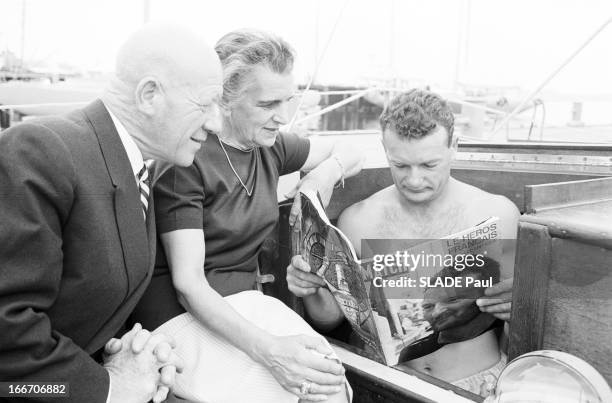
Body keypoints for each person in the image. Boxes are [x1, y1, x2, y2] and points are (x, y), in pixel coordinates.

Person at [130, 29, 362, 402]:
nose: (283, 117)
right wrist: (270, 351)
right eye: (268, 104)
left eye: (287, 100)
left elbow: (352, 151)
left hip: (248, 306)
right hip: (182, 317)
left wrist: (323, 174)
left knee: (328, 384)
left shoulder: (268, 146)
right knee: (300, 390)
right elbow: (188, 285)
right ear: (224, 101)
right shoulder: (187, 160)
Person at [0, 24, 223, 403]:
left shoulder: (135, 169)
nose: (216, 122)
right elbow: (7, 323)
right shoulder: (40, 149)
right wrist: (107, 388)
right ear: (149, 94)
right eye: (205, 105)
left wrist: (132, 353)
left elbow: (84, 304)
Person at [287, 89, 519, 398]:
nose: (413, 179)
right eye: (400, 165)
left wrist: (516, 305)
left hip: (474, 384)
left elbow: (519, 319)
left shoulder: (498, 214)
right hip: (387, 385)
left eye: (428, 165)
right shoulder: (358, 221)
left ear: (454, 147)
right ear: (384, 150)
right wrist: (312, 289)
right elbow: (330, 320)